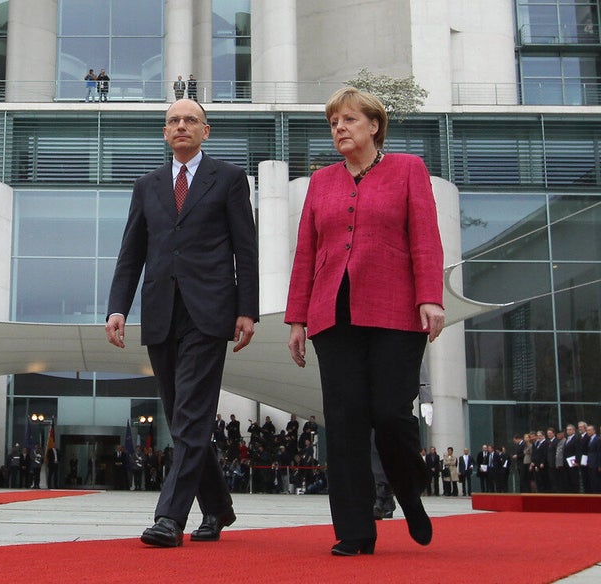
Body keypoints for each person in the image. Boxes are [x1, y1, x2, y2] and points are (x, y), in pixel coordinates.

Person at [286, 87, 444, 556]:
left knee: (391, 413)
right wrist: (297, 318)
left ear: (374, 125)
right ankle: (355, 531)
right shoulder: (321, 182)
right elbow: (305, 253)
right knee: (346, 420)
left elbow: (426, 238)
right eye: (333, 122)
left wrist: (430, 298)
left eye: (349, 119)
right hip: (333, 314)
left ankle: (408, 488)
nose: (339, 128)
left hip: (395, 309)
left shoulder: (408, 170)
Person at [105, 98, 259, 547]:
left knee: (192, 414)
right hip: (160, 312)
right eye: (173, 121)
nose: (181, 126)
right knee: (180, 417)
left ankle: (169, 517)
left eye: (190, 120)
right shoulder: (147, 186)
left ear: (205, 131)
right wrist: (118, 307)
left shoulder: (228, 180)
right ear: (165, 132)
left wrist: (246, 309)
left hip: (210, 312)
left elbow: (244, 249)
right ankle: (217, 507)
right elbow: (131, 253)